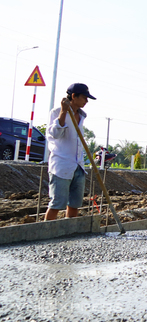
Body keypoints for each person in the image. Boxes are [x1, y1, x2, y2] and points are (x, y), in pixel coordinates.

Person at [45, 83, 96, 221]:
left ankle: (70, 234)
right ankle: (46, 234)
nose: (86, 101)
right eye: (84, 97)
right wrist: (63, 111)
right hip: (62, 165)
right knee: (57, 203)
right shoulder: (56, 112)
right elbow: (54, 134)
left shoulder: (82, 116)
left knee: (74, 204)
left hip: (78, 166)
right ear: (74, 96)